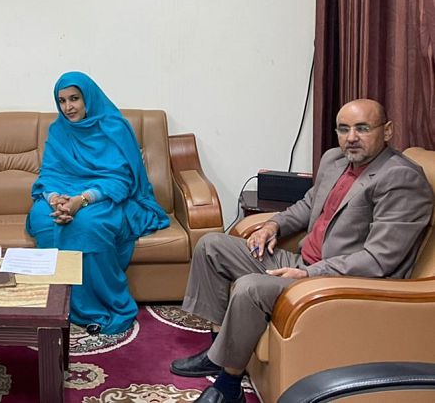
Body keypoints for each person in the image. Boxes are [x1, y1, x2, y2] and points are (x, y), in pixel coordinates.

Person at [170, 99, 433, 403]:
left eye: (362, 128)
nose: (351, 137)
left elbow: (378, 259)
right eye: (344, 129)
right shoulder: (335, 160)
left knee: (250, 287)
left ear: (387, 131)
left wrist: (309, 274)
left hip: (339, 280)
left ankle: (228, 387)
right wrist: (273, 226)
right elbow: (308, 205)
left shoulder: (401, 178)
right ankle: (218, 351)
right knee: (212, 245)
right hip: (303, 261)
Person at [25, 71, 170, 335]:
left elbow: (121, 179)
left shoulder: (114, 127)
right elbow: (49, 174)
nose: (68, 107)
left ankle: (94, 307)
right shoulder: (58, 129)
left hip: (102, 194)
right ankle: (57, 304)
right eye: (62, 101)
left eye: (74, 99)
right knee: (43, 219)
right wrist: (54, 199)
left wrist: (82, 200)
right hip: (63, 194)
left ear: (88, 98)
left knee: (88, 224)